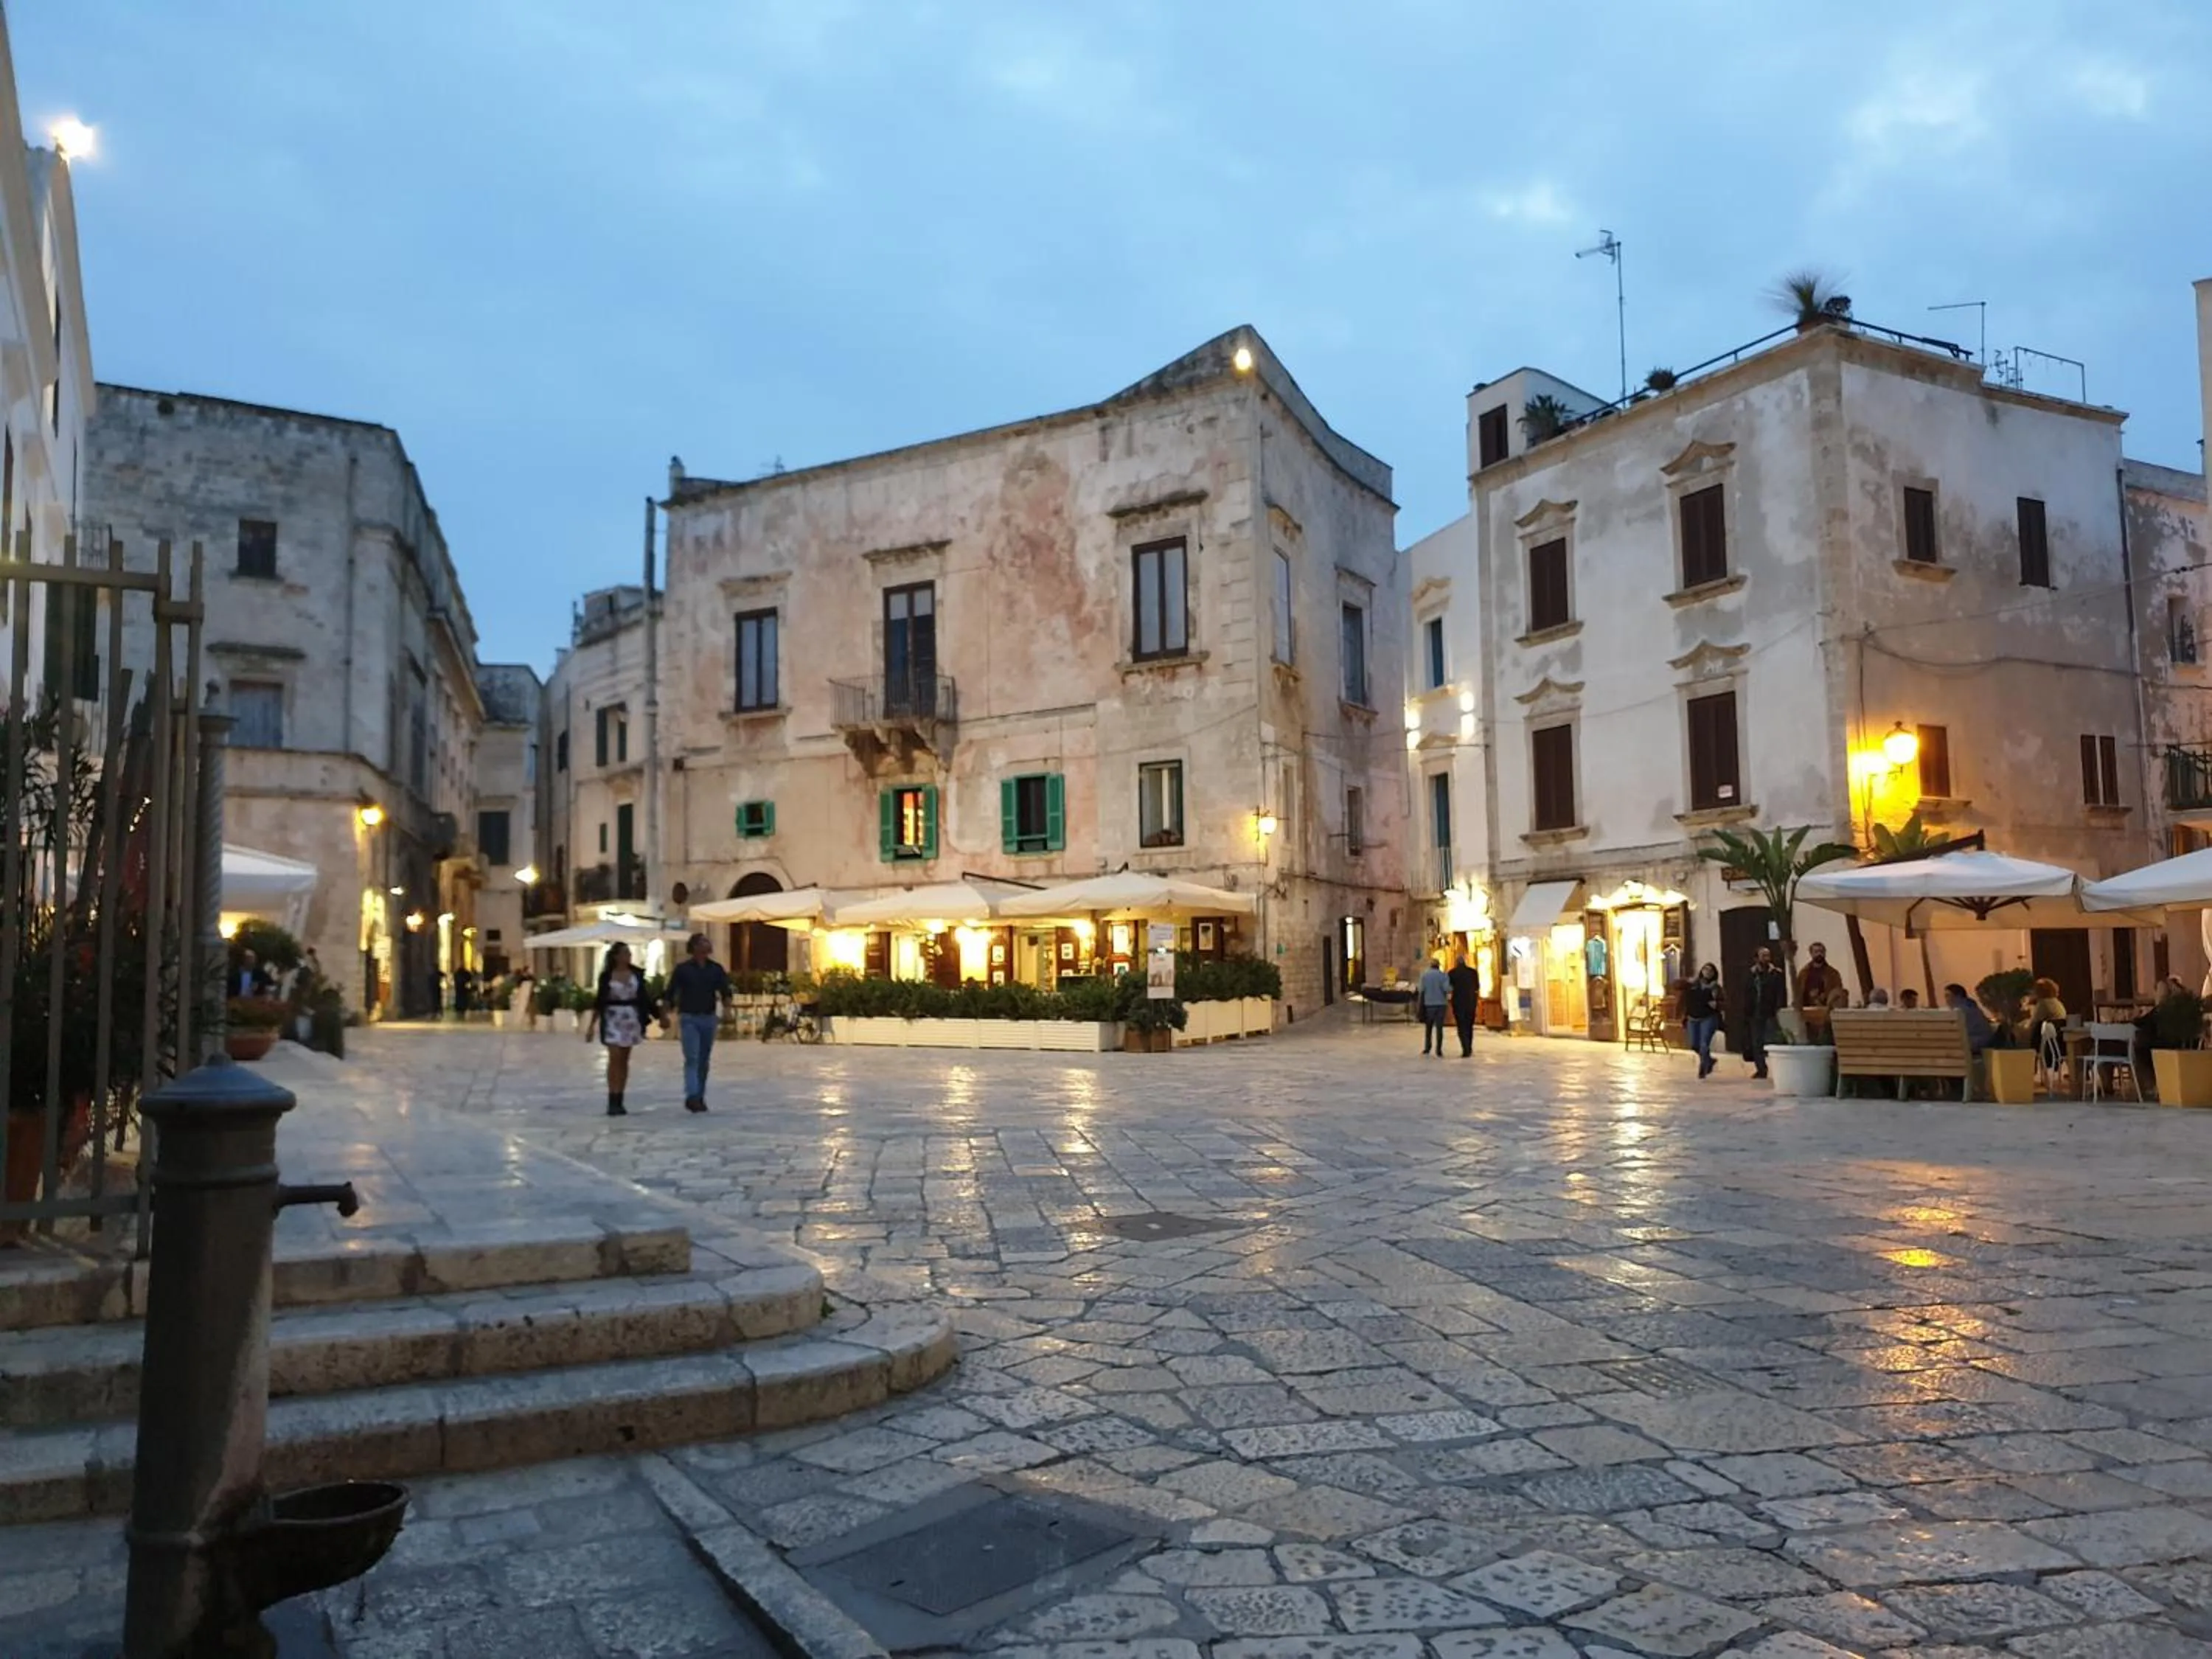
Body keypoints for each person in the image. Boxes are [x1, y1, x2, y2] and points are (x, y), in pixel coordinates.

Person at [585, 942, 661, 1116]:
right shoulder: (607, 976)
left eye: (629, 953)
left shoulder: (637, 974)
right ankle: (612, 1097)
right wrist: (591, 1025)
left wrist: (657, 1016)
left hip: (631, 1018)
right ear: (616, 956)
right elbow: (599, 1001)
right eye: (625, 953)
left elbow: (645, 998)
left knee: (624, 1059)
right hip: (612, 1017)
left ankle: (620, 1097)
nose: (629, 956)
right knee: (614, 1057)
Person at [668, 933, 733, 1113]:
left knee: (704, 1060)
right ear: (695, 946)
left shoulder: (716, 969)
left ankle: (700, 1095)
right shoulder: (683, 969)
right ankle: (692, 1095)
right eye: (704, 941)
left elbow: (725, 992)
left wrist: (728, 1011)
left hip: (708, 1017)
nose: (708, 943)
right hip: (689, 1017)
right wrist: (665, 1014)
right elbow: (671, 992)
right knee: (692, 1058)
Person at [1743, 945, 1787, 1079]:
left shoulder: (1776, 974)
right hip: (1755, 1012)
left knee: (1774, 1039)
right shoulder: (1751, 974)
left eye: (1768, 955)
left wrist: (1779, 1007)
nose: (1766, 958)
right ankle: (1761, 1069)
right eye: (1763, 955)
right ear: (1756, 958)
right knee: (1757, 1042)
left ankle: (1781, 1069)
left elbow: (1781, 992)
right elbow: (1747, 992)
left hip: (1771, 1011)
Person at [1683, 962, 1725, 1079]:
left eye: (1710, 970)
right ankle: (1709, 1061)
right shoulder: (1693, 985)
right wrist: (1686, 980)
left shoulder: (1716, 988)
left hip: (1708, 1018)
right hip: (1692, 1018)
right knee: (1694, 1044)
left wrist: (1717, 1004)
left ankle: (1703, 1068)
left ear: (1714, 974)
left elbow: (1724, 1003)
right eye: (1705, 969)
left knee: (1704, 1044)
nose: (1707, 972)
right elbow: (1677, 986)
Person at [1944, 982, 1997, 1054]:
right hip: (1979, 1040)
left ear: (1958, 996)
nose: (1946, 999)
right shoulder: (1970, 1007)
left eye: (1948, 996)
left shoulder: (1963, 1011)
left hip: (1977, 1042)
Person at [1447, 950, 1480, 1058]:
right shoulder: (1473, 972)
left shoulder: (1452, 973)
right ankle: (1469, 1047)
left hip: (1458, 1003)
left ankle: (1465, 1048)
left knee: (1461, 1026)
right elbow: (1477, 987)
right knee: (1469, 1025)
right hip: (1470, 1002)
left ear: (1457, 962)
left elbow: (1449, 988)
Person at [1416, 956, 1450, 1057]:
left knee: (1429, 1027)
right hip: (1441, 1004)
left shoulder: (1425, 976)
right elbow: (1447, 988)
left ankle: (1427, 1047)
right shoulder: (1443, 976)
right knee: (1439, 1028)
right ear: (1439, 966)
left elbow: (1421, 989)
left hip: (1429, 1004)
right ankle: (1439, 1049)